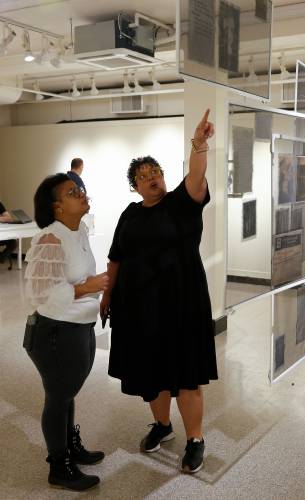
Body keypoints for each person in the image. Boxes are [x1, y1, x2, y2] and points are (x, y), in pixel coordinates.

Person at [100, 109, 218, 474]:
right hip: (139, 308)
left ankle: (195, 438)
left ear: (164, 177)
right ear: (134, 187)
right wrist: (107, 296)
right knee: (152, 373)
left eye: (155, 173)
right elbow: (116, 257)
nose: (151, 178)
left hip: (183, 304)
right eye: (142, 176)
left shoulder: (182, 204)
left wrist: (199, 144)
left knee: (186, 374)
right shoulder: (130, 214)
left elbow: (197, 177)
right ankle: (163, 426)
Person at [23, 173, 109, 491]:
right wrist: (90, 286)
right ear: (57, 207)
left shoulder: (79, 230)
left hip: (78, 326)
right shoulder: (50, 239)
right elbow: (41, 293)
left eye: (80, 189)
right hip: (55, 332)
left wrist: (97, 292)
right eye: (73, 192)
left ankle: (70, 446)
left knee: (67, 393)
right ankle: (59, 466)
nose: (82, 193)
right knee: (58, 398)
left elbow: (81, 277)